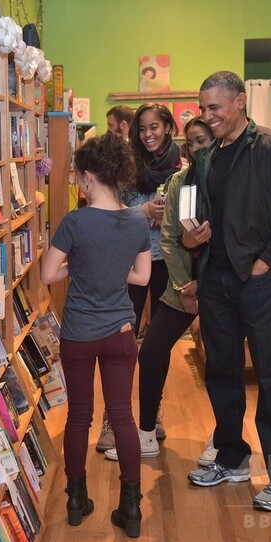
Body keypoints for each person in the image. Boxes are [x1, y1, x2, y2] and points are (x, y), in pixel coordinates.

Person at [182, 71, 271, 512]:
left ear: (240, 101)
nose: (207, 116)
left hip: (260, 283)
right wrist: (191, 238)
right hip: (215, 281)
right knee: (221, 373)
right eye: (203, 108)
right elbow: (195, 215)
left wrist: (266, 261)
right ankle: (232, 458)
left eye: (214, 107)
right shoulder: (206, 157)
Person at [41, 132, 151, 536]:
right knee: (122, 416)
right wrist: (106, 268)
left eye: (77, 177)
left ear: (88, 176)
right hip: (121, 331)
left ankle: (76, 499)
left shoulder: (75, 221)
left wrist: (79, 265)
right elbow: (142, 277)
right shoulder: (137, 220)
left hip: (79, 336)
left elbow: (48, 274)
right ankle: (131, 508)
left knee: (79, 416)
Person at [104, 116, 217, 466]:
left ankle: (224, 437)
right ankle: (130, 423)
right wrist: (184, 284)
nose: (197, 149)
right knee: (135, 345)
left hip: (208, 279)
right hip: (154, 269)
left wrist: (197, 278)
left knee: (221, 356)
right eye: (192, 143)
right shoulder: (177, 180)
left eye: (203, 141)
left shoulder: (207, 176)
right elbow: (172, 235)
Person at [96, 102, 181, 454]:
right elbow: (107, 212)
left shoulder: (182, 165)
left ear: (167, 128)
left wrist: (171, 216)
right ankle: (112, 417)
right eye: (142, 129)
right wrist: (142, 212)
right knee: (120, 340)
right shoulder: (125, 165)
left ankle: (152, 409)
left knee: (159, 343)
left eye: (154, 127)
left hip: (168, 264)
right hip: (128, 264)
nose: (148, 135)